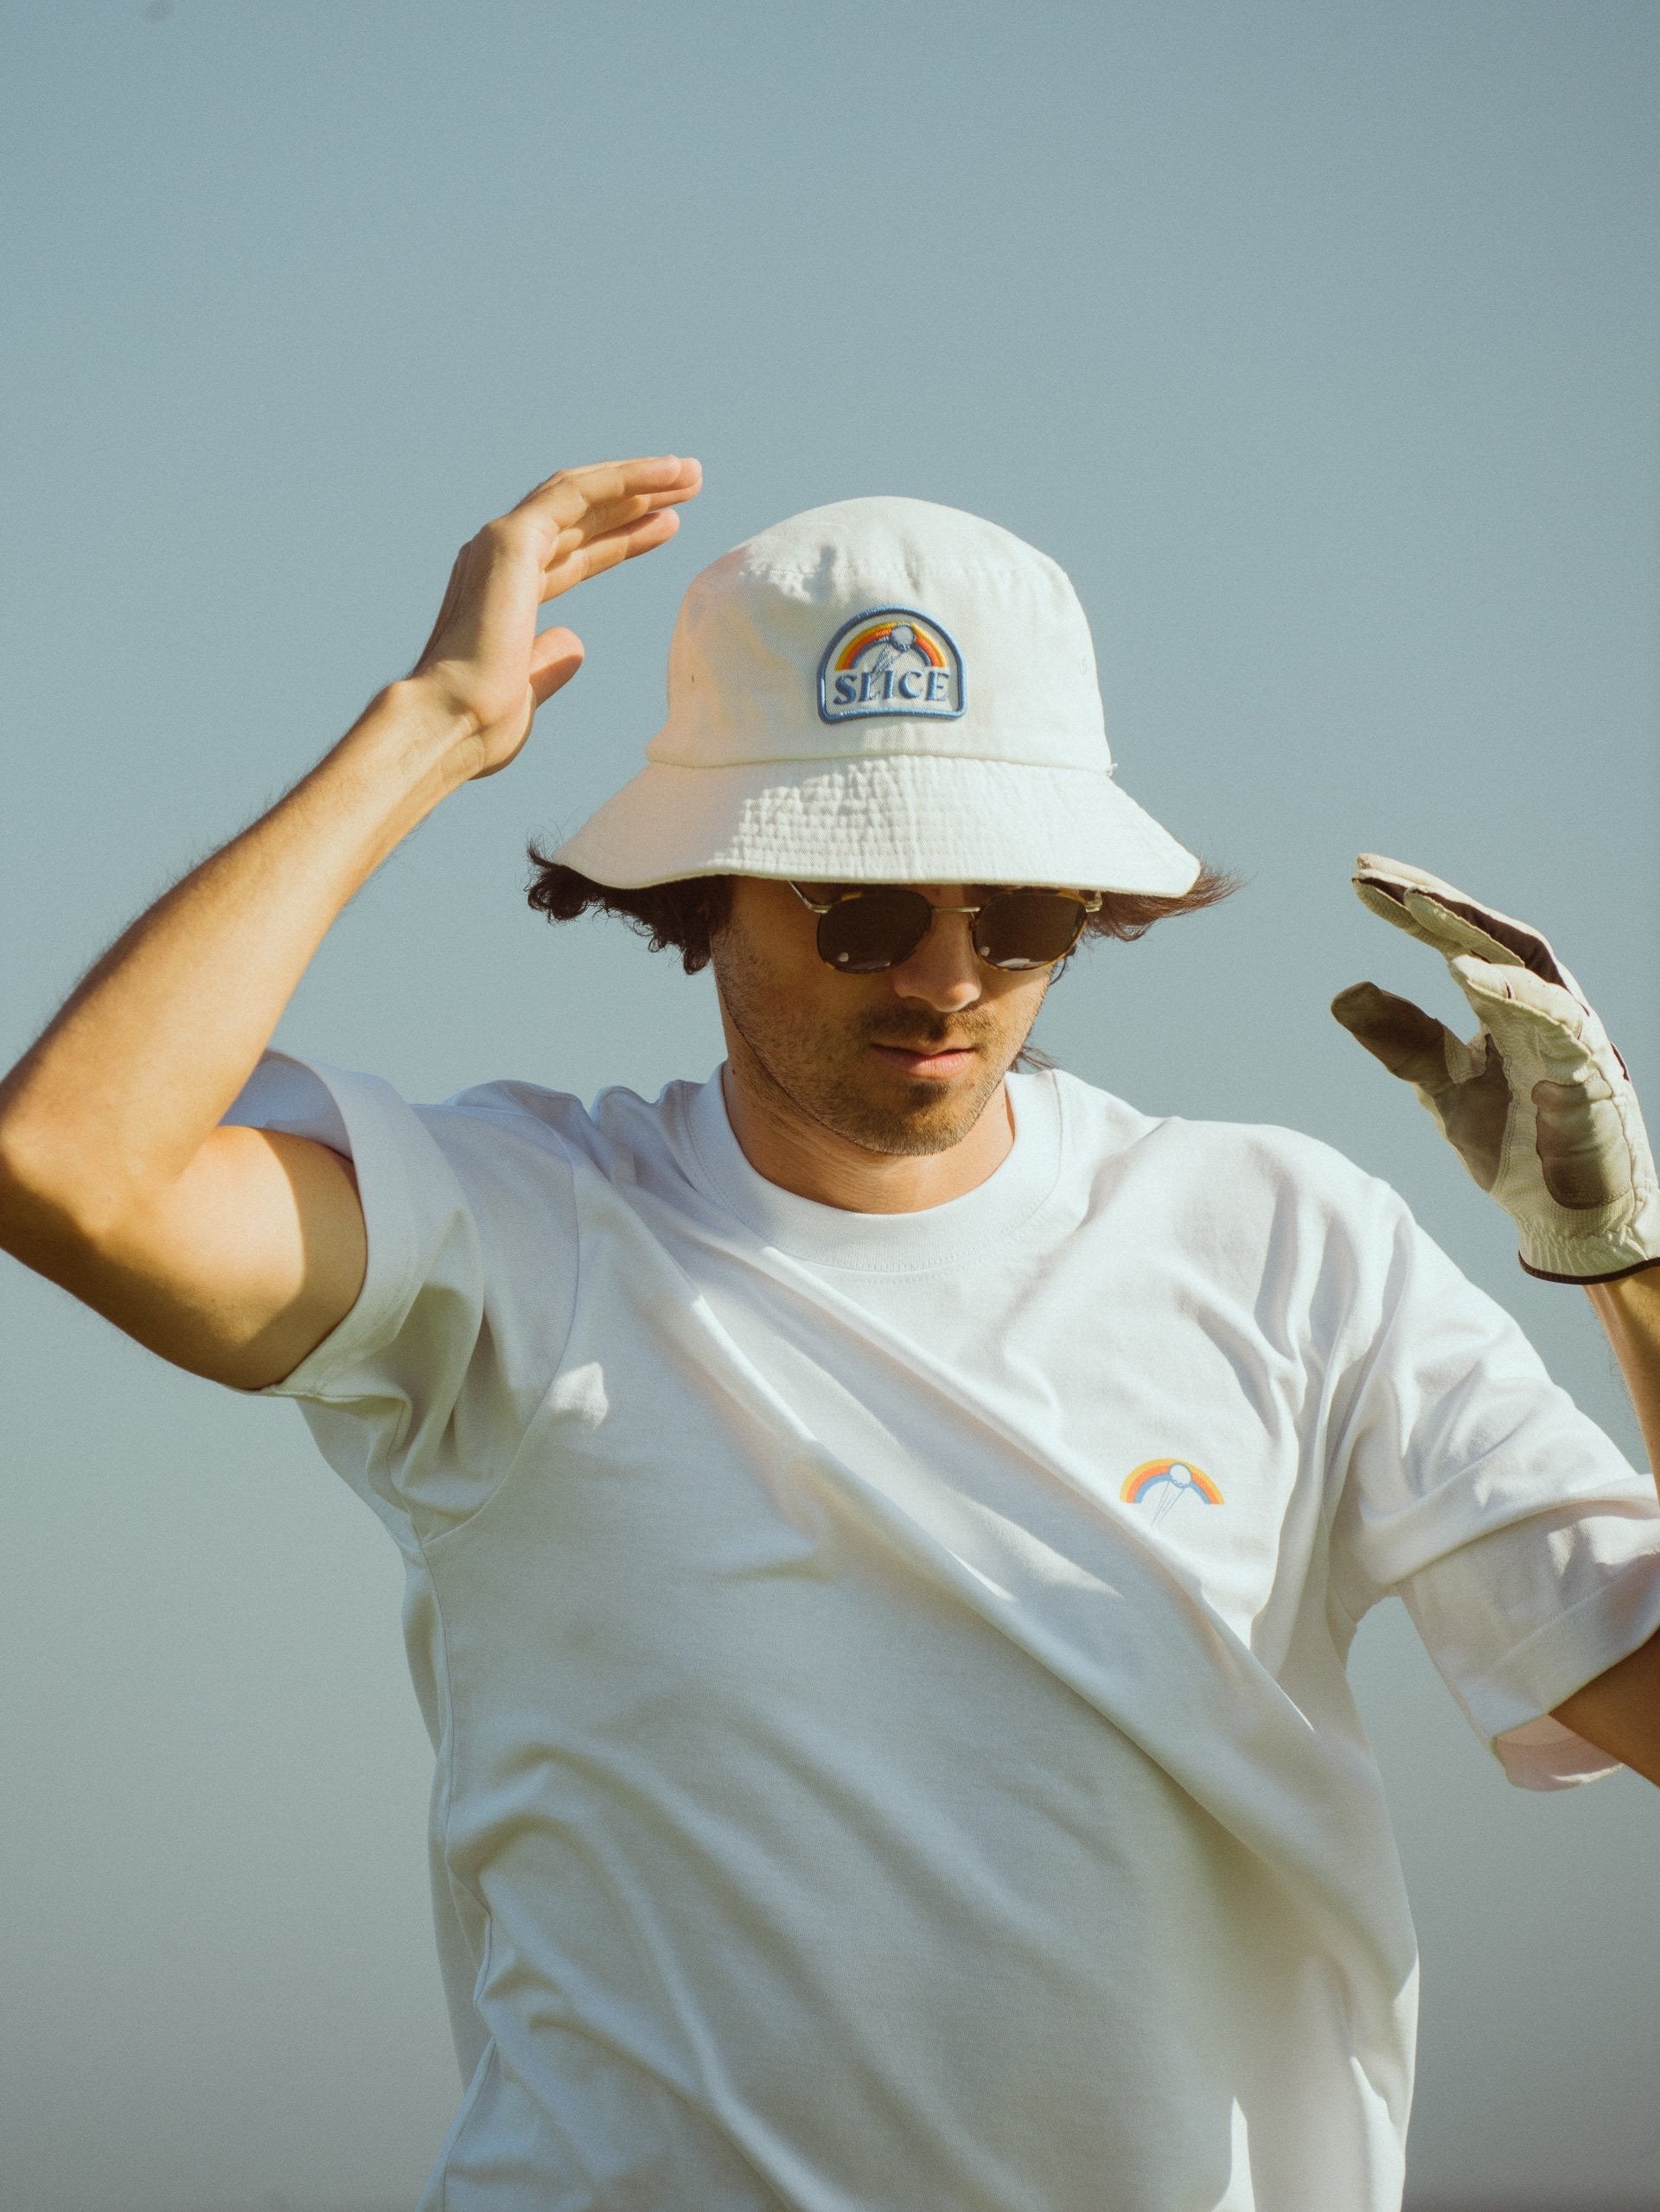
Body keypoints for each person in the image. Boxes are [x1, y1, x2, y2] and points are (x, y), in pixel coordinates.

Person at [2, 456, 1657, 2212]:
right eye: (864, 908)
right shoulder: (511, 1232)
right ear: (704, 891)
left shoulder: (1288, 1240)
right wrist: (429, 730)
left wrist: (1623, 1268)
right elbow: (68, 1170)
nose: (948, 978)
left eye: (1019, 913)